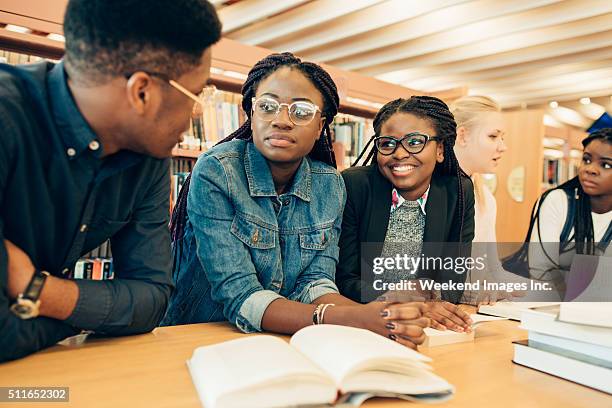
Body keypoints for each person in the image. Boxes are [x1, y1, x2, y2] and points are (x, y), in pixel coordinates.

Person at [0, 0, 221, 362]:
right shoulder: (8, 120)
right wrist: (93, 315)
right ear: (142, 93)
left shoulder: (148, 156)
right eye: (198, 94)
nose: (198, 111)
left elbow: (152, 300)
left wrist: (41, 292)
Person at [163, 53, 429, 349]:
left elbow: (315, 282)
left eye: (301, 111)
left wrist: (374, 313)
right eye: (267, 107)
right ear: (251, 114)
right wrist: (353, 319)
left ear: (320, 126)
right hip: (200, 338)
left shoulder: (330, 184)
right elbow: (241, 296)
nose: (281, 121)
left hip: (281, 342)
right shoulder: (217, 171)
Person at [336, 96, 475, 332]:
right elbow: (343, 281)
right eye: (388, 144)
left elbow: (453, 282)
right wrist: (404, 299)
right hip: (366, 323)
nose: (399, 154)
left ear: (440, 149)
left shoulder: (458, 191)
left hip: (426, 330)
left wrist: (430, 303)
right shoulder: (355, 186)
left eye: (414, 142)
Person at [451, 95, 525, 305]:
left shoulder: (486, 199)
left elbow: (492, 269)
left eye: (503, 137)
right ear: (462, 136)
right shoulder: (427, 194)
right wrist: (476, 294)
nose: (503, 147)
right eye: (493, 136)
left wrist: (538, 291)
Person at [527, 128, 612, 281]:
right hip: (550, 300)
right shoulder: (557, 201)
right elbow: (541, 271)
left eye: (606, 165)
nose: (590, 169)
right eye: (586, 159)